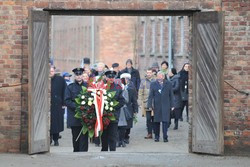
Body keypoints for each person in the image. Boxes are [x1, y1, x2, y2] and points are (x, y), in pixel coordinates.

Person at [64, 68, 89, 152]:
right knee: (76, 136)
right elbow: (67, 100)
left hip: (86, 115)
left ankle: (84, 153)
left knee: (84, 137)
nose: (78, 76)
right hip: (74, 116)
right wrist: (78, 107)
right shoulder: (70, 87)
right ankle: (76, 152)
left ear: (82, 75)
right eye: (77, 75)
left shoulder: (87, 86)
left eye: (80, 74)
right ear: (74, 76)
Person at [101, 70, 125, 151]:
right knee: (104, 136)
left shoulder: (118, 88)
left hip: (114, 116)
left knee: (113, 136)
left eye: (112, 77)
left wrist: (113, 107)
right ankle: (104, 151)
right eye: (109, 77)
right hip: (103, 116)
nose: (111, 78)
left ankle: (112, 152)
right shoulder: (102, 87)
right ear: (106, 77)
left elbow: (122, 101)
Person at [147, 71, 174, 142]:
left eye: (160, 77)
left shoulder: (169, 84)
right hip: (157, 106)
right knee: (156, 122)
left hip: (166, 105)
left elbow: (171, 95)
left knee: (165, 121)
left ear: (163, 77)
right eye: (158, 77)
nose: (159, 78)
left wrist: (172, 105)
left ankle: (165, 136)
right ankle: (157, 136)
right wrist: (149, 105)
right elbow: (150, 96)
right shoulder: (153, 84)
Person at [120, 73, 138, 145]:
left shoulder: (132, 88)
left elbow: (134, 99)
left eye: (126, 79)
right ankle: (121, 137)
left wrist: (135, 109)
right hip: (121, 108)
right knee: (121, 123)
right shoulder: (119, 87)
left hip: (129, 107)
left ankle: (126, 137)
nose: (125, 80)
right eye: (123, 79)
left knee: (128, 123)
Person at [50, 66, 67, 146]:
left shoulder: (60, 80)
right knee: (49, 123)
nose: (51, 73)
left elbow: (64, 91)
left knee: (56, 123)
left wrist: (64, 103)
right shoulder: (44, 79)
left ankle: (56, 139)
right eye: (49, 71)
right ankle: (49, 138)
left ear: (54, 71)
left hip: (57, 105)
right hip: (48, 105)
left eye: (52, 71)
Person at [138, 68, 155, 139]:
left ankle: (155, 131)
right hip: (146, 103)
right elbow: (140, 92)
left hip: (155, 103)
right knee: (148, 119)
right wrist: (139, 102)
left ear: (152, 73)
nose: (148, 74)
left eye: (150, 73)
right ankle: (149, 133)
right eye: (147, 73)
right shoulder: (143, 81)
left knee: (154, 118)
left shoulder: (156, 81)